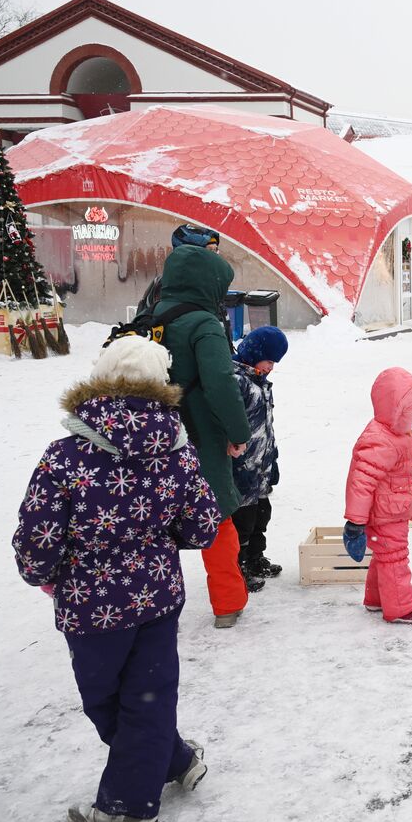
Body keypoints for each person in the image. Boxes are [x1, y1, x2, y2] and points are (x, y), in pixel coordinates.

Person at [12, 337, 217, 822]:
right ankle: (176, 761)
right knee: (145, 697)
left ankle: (125, 809)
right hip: (158, 594)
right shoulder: (178, 453)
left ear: (100, 380)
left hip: (90, 607)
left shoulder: (64, 455)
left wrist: (41, 573)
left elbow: (39, 535)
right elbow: (202, 526)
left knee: (108, 698)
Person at [155, 245, 253, 629]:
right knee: (217, 518)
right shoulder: (203, 324)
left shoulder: (151, 318)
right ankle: (228, 603)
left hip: (152, 437)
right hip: (196, 435)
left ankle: (157, 605)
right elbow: (220, 384)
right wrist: (238, 431)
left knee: (156, 524)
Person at [344, 366, 412, 624]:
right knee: (395, 557)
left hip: (392, 507)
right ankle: (400, 608)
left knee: (384, 554)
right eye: (410, 409)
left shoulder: (397, 432)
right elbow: (361, 482)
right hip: (386, 512)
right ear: (394, 408)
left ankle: (376, 599)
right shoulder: (380, 439)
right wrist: (356, 521)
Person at [230, 326, 288, 589]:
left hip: (261, 464)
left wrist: (271, 457)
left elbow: (266, 425)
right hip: (242, 464)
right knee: (243, 520)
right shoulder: (237, 382)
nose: (271, 367)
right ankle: (238, 565)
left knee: (261, 515)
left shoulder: (260, 383)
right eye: (269, 361)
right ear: (255, 355)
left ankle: (255, 557)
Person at [137, 224, 221, 316]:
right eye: (209, 250)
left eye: (215, 250)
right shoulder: (168, 286)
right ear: (190, 254)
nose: (215, 256)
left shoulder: (211, 283)